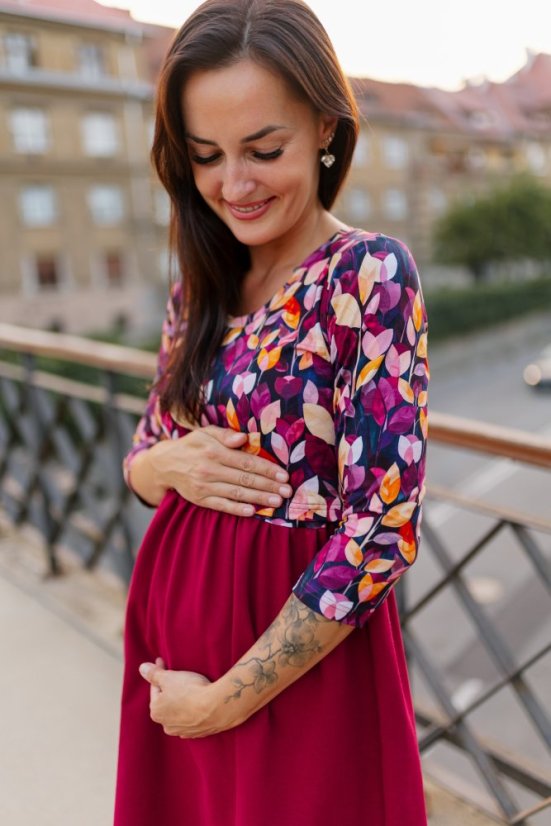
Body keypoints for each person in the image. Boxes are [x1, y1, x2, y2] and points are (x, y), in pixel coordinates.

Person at [113, 0, 430, 823]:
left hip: (289, 678)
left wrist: (223, 699)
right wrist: (164, 463)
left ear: (326, 127)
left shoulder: (367, 274)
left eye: (263, 150)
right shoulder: (202, 279)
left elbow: (380, 529)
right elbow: (146, 451)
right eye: (206, 156)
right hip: (169, 652)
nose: (234, 184)